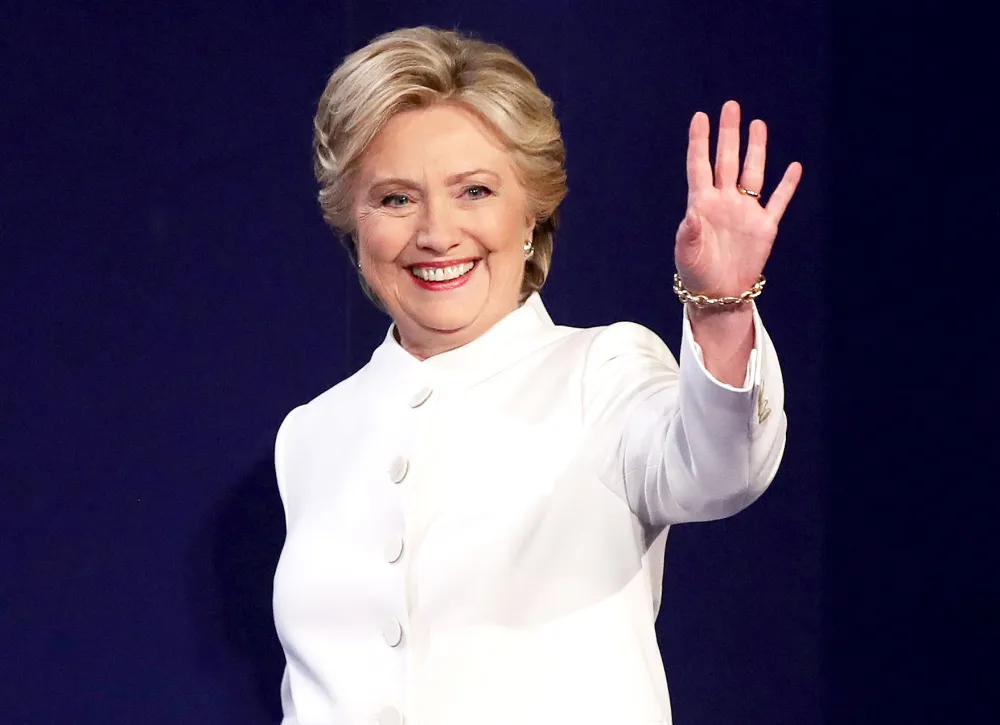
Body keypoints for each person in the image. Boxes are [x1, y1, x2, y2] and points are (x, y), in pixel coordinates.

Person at [272, 25, 801, 725]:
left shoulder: (602, 371)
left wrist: (723, 308)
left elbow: (722, 466)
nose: (436, 232)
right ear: (353, 223)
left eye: (474, 191)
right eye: (396, 198)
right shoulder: (311, 433)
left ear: (531, 213)